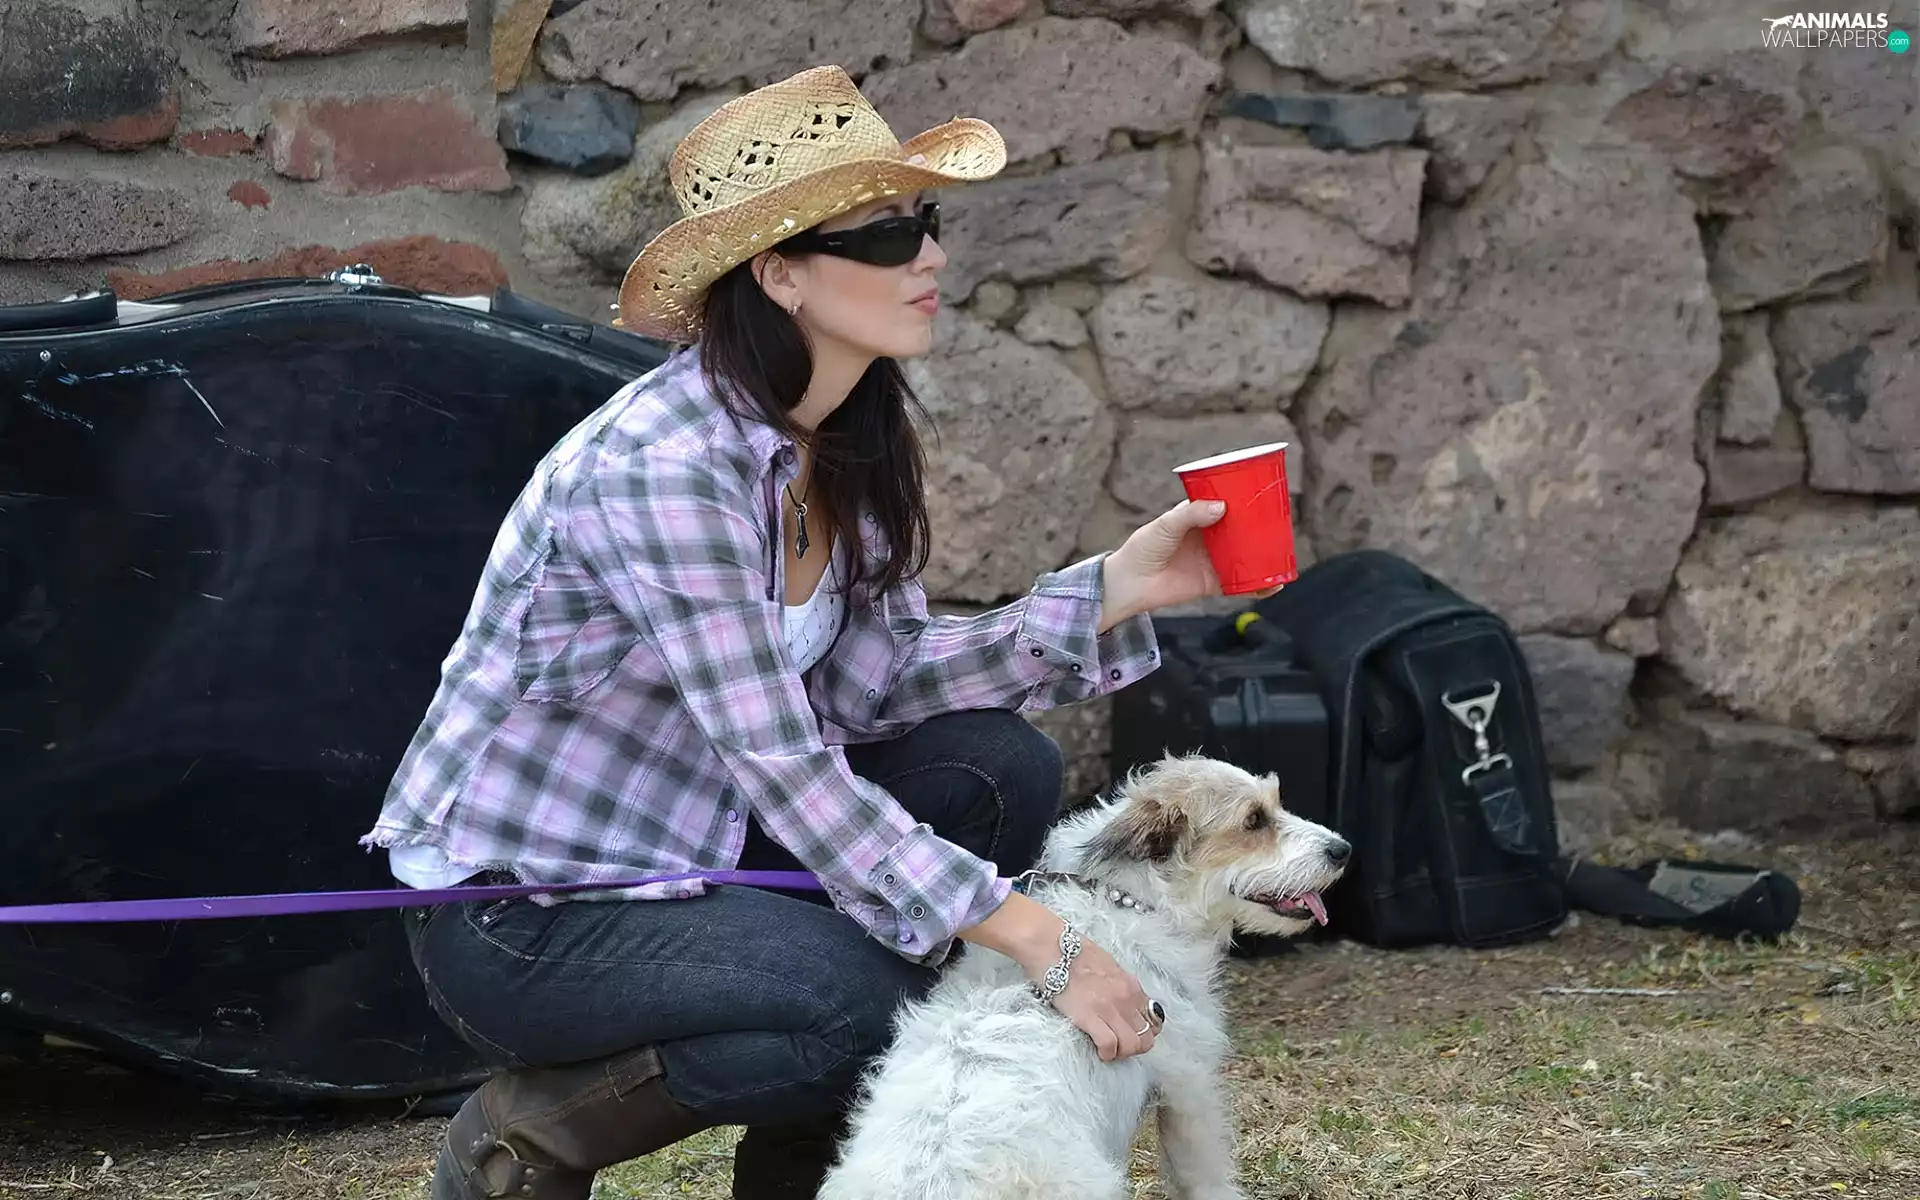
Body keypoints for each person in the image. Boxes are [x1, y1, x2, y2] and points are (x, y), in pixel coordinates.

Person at [360, 64, 1271, 1200]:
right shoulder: (663, 471)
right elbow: (786, 765)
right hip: (528, 909)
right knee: (860, 1000)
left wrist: (1109, 592)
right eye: (886, 237)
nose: (931, 257)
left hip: (702, 841)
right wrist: (1044, 940)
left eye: (924, 224)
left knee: (1000, 771)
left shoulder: (842, 432)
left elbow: (872, 689)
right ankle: (528, 1131)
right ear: (779, 272)